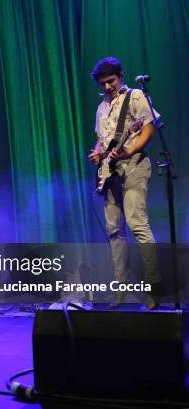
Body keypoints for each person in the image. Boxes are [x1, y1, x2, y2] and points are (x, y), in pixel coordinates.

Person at [87, 57, 161, 310]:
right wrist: (97, 153)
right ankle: (122, 289)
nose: (107, 86)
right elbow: (103, 140)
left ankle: (153, 289)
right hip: (110, 172)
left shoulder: (136, 96)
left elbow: (148, 130)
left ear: (121, 76)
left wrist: (128, 153)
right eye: (103, 83)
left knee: (138, 225)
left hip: (134, 166)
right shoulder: (101, 107)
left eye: (111, 81)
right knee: (114, 231)